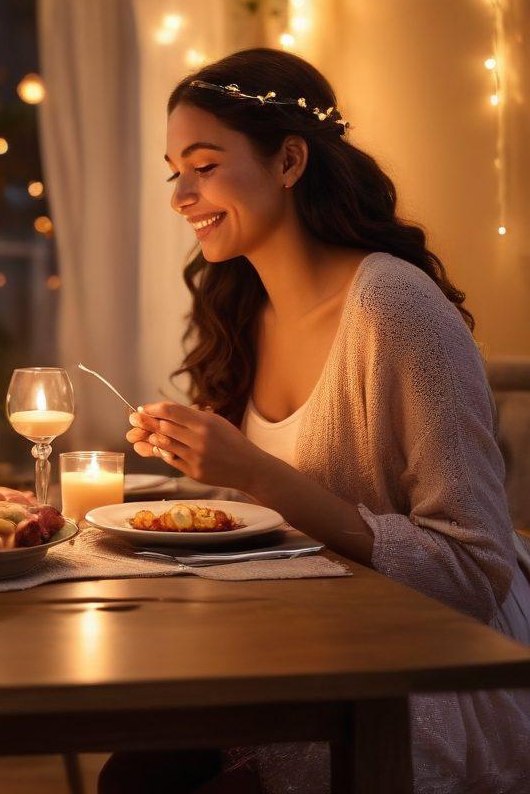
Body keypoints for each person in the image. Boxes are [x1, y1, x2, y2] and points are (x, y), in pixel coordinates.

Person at [103, 48, 530, 793]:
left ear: (290, 160)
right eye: (174, 169)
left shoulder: (395, 308)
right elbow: (273, 533)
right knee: (134, 770)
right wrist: (196, 482)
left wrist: (252, 472)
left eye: (203, 165)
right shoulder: (242, 313)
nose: (180, 194)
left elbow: (475, 569)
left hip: (419, 673)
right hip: (287, 646)